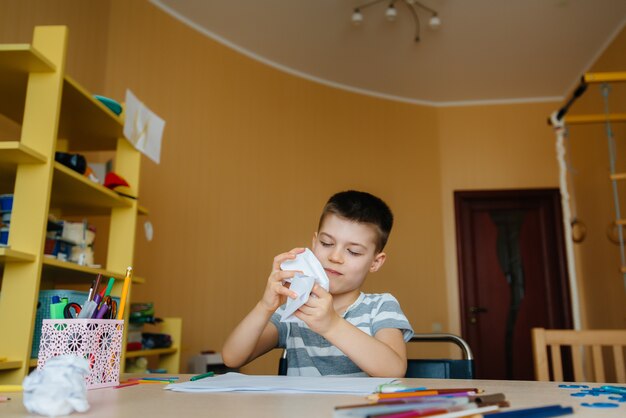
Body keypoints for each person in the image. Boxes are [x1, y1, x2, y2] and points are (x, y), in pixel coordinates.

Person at [222, 190, 413, 377]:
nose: (335, 257)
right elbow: (232, 358)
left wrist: (331, 325)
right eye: (326, 243)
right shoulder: (295, 307)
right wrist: (265, 306)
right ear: (314, 243)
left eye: (353, 251)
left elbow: (394, 370)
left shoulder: (380, 306)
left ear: (375, 262)